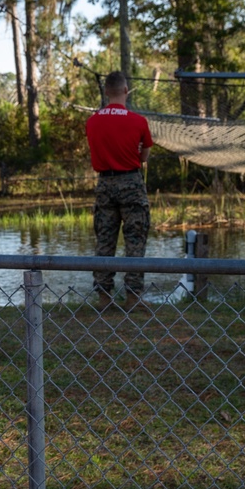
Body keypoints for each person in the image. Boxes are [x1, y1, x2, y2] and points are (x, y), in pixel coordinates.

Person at [85, 70, 154, 311]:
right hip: (131, 184)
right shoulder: (138, 121)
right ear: (126, 91)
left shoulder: (92, 121)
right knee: (135, 240)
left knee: (105, 240)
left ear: (106, 92)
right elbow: (144, 156)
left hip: (105, 184)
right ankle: (133, 297)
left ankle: (104, 298)